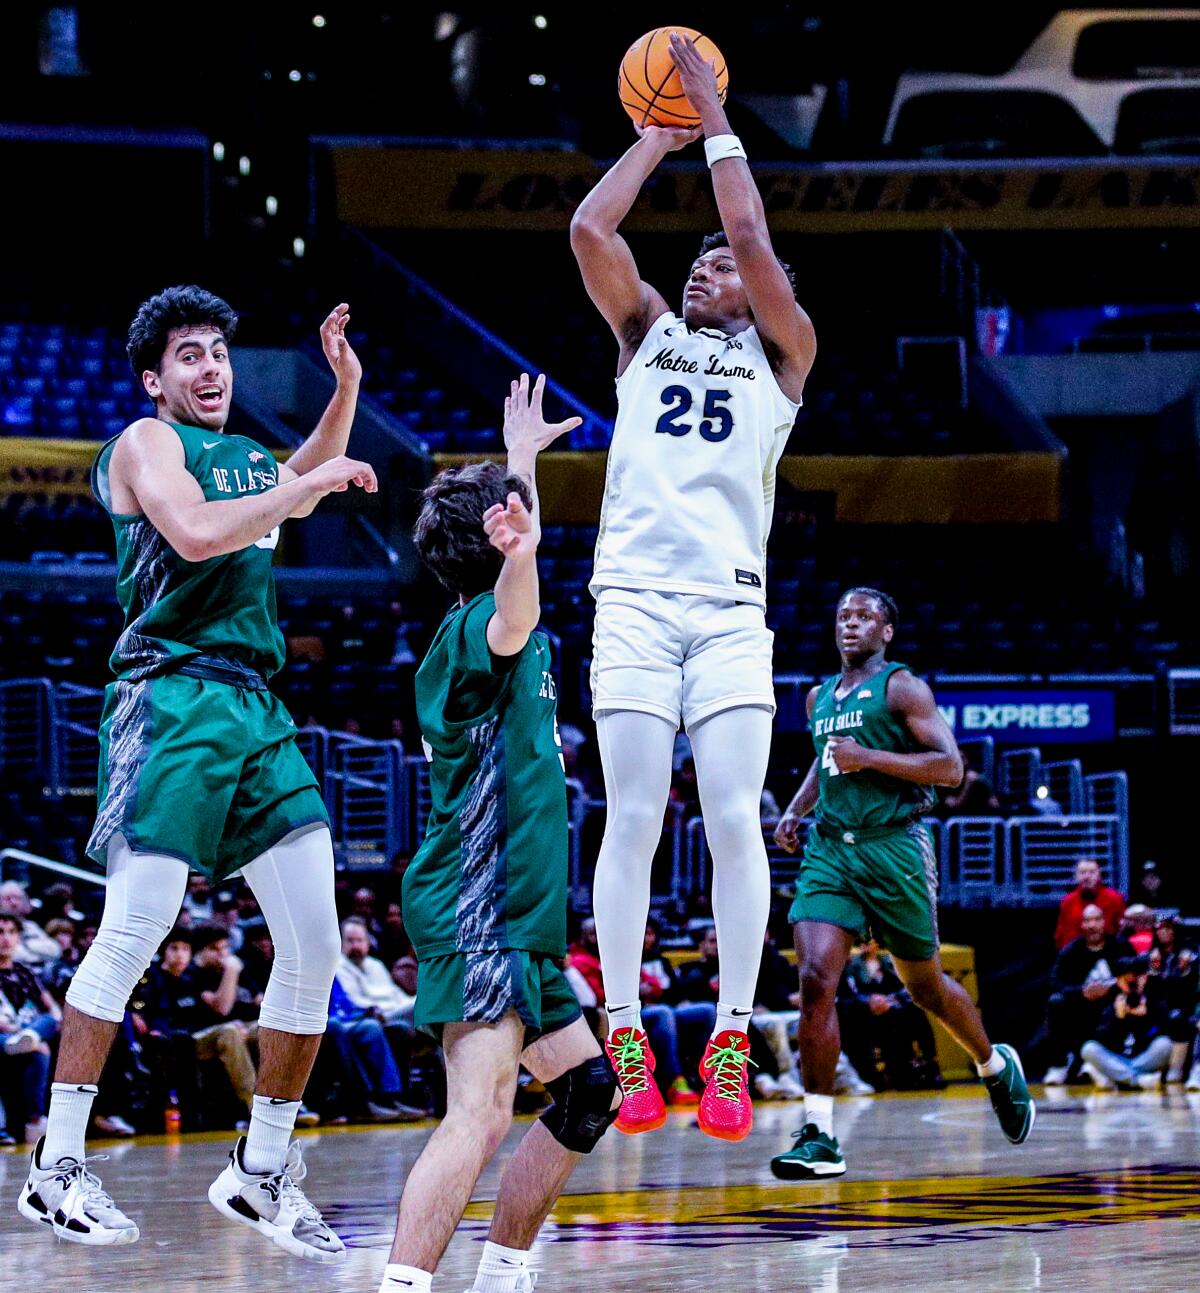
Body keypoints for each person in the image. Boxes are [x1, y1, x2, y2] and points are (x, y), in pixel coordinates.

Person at [17, 285, 376, 1257]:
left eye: (219, 350)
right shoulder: (145, 444)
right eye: (188, 354)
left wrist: (341, 389)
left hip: (255, 707)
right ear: (154, 378)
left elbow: (288, 481)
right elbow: (201, 533)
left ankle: (262, 1172)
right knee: (136, 925)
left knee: (314, 944)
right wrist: (314, 478)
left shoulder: (252, 460)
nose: (210, 367)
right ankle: (55, 1169)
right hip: (169, 696)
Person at [570, 31, 817, 1143]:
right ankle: (625, 1032)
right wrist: (658, 138)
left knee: (732, 820)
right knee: (630, 815)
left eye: (725, 266)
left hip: (725, 610)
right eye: (701, 261)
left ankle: (726, 1037)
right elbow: (590, 230)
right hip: (631, 595)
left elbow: (754, 230)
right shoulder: (645, 333)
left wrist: (714, 107)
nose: (710, 264)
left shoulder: (784, 357)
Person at [378, 374, 619, 1293]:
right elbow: (517, 609)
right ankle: (404, 1282)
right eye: (514, 516)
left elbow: (521, 577)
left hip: (511, 914)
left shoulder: (478, 616)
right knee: (476, 1115)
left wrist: (520, 465)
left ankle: (505, 1269)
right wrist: (516, 536)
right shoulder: (484, 623)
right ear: (498, 538)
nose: (526, 521)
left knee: (590, 1090)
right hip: (478, 906)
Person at [769, 589, 1034, 1179]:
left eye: (863, 617)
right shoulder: (817, 697)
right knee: (815, 979)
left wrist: (871, 758)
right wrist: (796, 810)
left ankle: (994, 1066)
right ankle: (819, 1134)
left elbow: (950, 768)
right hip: (832, 850)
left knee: (926, 988)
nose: (850, 625)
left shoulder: (902, 688)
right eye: (842, 616)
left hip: (896, 848)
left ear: (886, 631)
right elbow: (826, 760)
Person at [1042, 904, 1132, 1085]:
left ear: (1104, 922)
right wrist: (1082, 992)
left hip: (1113, 1003)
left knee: (1123, 1002)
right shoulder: (1070, 951)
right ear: (1081, 925)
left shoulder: (1120, 946)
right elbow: (1054, 983)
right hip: (1081, 1005)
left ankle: (1107, 1062)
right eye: (1087, 920)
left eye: (1097, 919)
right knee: (1055, 1002)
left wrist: (1111, 989)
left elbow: (1135, 975)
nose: (1092, 925)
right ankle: (1060, 1065)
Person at [0, 912, 62, 1142]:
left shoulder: (24, 971)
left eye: (11, 932)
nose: (5, 938)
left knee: (49, 1023)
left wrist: (36, 1031)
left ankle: (28, 1040)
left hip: (25, 1030)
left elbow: (52, 1008)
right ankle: (35, 1121)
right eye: (0, 932)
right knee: (39, 1051)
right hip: (3, 1032)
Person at [1080, 955, 1172, 1089]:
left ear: (1145, 977)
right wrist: (1118, 1019)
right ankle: (1137, 1080)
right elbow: (1102, 1040)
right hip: (1117, 1058)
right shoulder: (1109, 1002)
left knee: (1165, 1045)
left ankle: (1117, 1077)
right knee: (1088, 1049)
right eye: (1127, 981)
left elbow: (1160, 1033)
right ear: (1118, 981)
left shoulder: (1154, 1001)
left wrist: (1144, 1019)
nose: (1133, 985)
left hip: (1143, 1059)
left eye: (1137, 979)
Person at [1054, 858, 1125, 949]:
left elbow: (1121, 931)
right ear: (1076, 876)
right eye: (1082, 873)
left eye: (1092, 872)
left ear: (1099, 875)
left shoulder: (1115, 899)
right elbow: (1060, 936)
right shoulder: (1068, 901)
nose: (1087, 876)